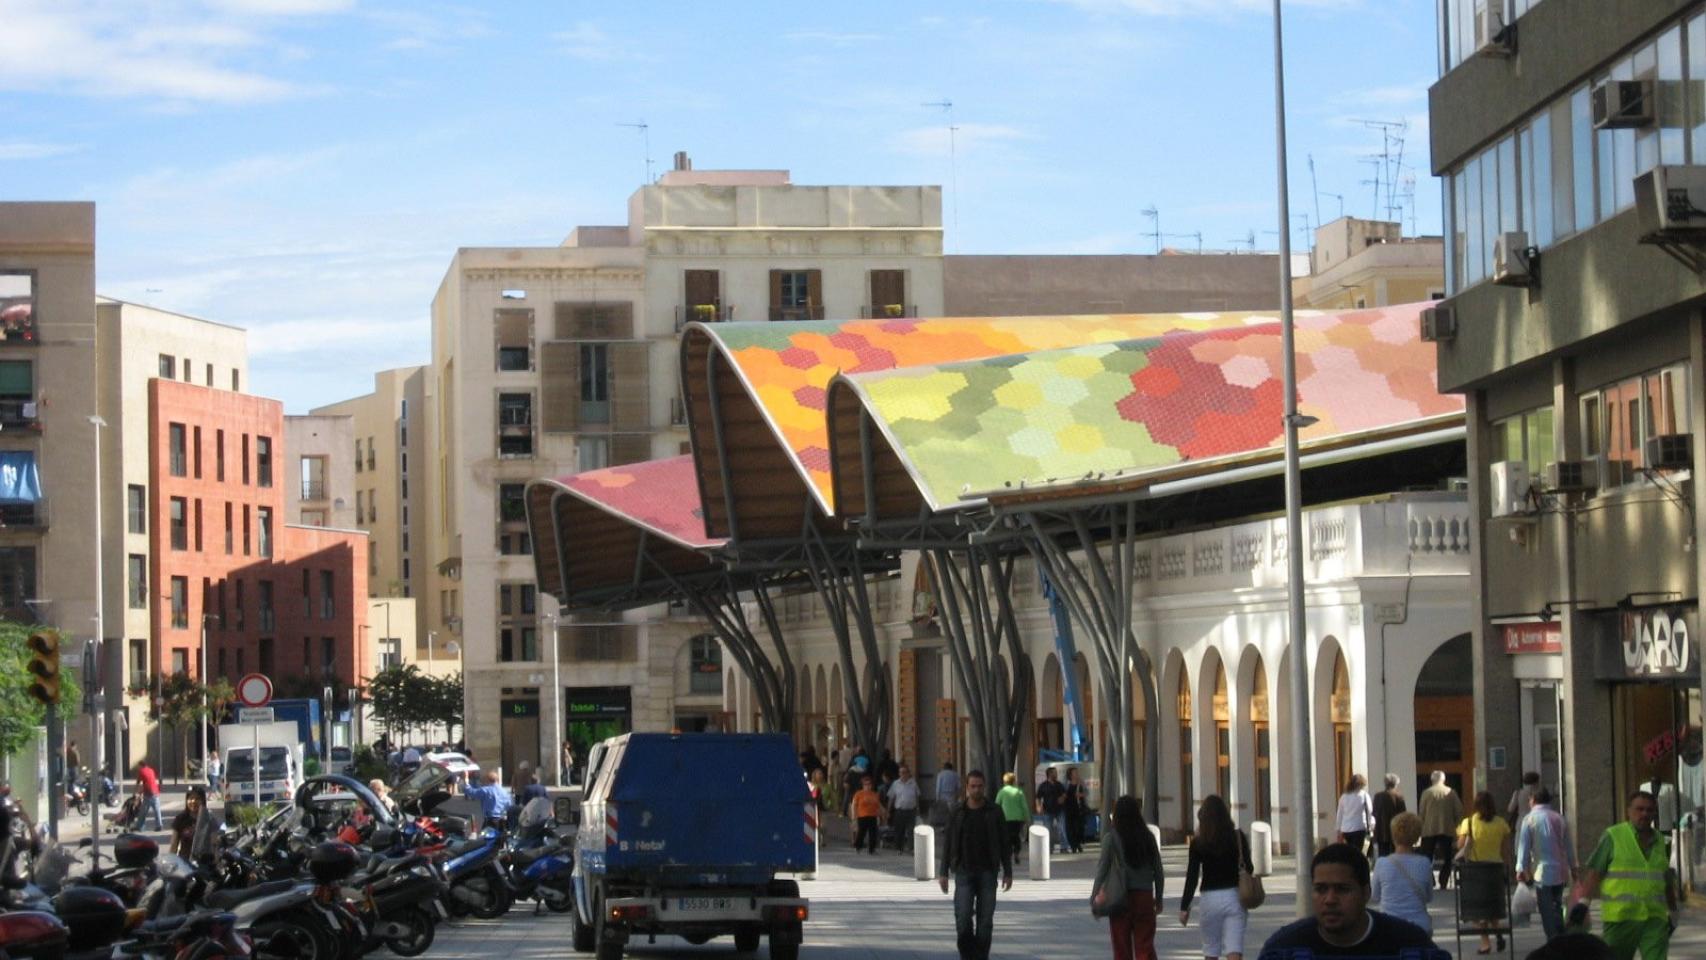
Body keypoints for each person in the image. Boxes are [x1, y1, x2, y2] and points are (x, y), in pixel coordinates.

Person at [1263, 843, 1438, 955]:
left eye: (1342, 889)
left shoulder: (1411, 946)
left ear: (1366, 893)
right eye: (1321, 889)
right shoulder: (1284, 949)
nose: (1330, 899)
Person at [1580, 789, 1677, 960]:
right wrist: (1582, 904)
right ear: (1629, 811)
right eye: (1639, 809)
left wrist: (1673, 912)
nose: (1645, 814)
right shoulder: (1613, 836)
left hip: (1654, 919)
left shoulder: (1661, 841)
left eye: (1649, 810)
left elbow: (1666, 879)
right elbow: (1595, 873)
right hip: (1621, 918)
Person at [937, 770, 1012, 960]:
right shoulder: (957, 811)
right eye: (973, 786)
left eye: (979, 786)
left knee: (985, 921)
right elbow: (948, 843)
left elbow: (1004, 842)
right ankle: (968, 955)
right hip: (963, 871)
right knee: (962, 917)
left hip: (988, 872)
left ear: (984, 787)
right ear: (966, 787)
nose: (976, 790)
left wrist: (1008, 871)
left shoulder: (994, 811)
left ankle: (980, 956)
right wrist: (943, 871)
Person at [1180, 794, 1254, 960]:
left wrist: (1184, 907)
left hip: (1209, 900)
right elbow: (1249, 867)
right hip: (1234, 897)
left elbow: (1192, 876)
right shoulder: (1237, 837)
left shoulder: (1198, 843)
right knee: (1234, 949)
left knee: (1211, 951)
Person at [1094, 795, 1164, 960]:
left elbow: (1102, 871)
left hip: (1120, 899)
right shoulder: (1148, 837)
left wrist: (1094, 897)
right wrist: (1159, 898)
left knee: (1121, 948)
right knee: (1144, 947)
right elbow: (1158, 871)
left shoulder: (1111, 839)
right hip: (1144, 897)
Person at [1516, 785, 1577, 943]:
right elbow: (1568, 846)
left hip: (1541, 872)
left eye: (1530, 799)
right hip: (1560, 871)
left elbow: (1524, 846)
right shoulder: (1559, 818)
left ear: (1533, 800)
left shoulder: (1529, 820)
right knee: (1557, 906)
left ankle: (1554, 940)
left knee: (1546, 909)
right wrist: (1574, 867)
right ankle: (1560, 936)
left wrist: (1521, 868)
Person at [1457, 789, 1514, 955]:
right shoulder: (1501, 824)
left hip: (1475, 871)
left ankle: (1485, 943)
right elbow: (1505, 851)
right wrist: (1507, 869)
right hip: (1495, 869)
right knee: (1493, 907)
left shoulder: (1469, 822)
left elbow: (1461, 846)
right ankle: (1498, 935)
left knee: (1477, 911)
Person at [1371, 811, 1434, 935]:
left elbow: (1375, 896)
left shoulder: (1381, 863)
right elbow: (1428, 897)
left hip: (1389, 926)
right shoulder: (1424, 863)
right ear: (1417, 837)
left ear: (1393, 834)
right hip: (1419, 927)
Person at [1419, 770, 1464, 888]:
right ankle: (1443, 880)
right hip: (1447, 828)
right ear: (1443, 780)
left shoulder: (1426, 793)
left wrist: (1421, 825)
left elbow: (1421, 812)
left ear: (1432, 780)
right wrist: (1457, 825)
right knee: (1447, 857)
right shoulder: (1451, 792)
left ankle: (1430, 880)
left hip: (1429, 829)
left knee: (1426, 857)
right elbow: (1459, 811)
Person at [1335, 773, 1374, 860]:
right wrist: (1371, 825)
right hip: (1359, 827)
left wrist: (1338, 829)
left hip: (1346, 829)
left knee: (1348, 851)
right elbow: (1369, 811)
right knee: (1358, 851)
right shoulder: (1364, 795)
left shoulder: (1344, 797)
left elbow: (1340, 814)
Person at [1372, 772, 1407, 859]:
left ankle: (1383, 871)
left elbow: (1374, 812)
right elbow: (1403, 814)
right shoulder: (1398, 796)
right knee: (1396, 855)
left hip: (1381, 830)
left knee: (1383, 855)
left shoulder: (1378, 796)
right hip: (1395, 830)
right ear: (1396, 784)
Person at [995, 772, 1029, 859]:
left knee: (1007, 836)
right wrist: (1027, 817)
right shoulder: (1019, 791)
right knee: (1016, 835)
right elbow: (1024, 805)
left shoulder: (1002, 792)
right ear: (1014, 781)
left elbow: (997, 804)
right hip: (1018, 818)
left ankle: (1008, 853)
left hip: (1005, 818)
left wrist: (995, 817)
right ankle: (1017, 851)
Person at [1035, 766, 1067, 854]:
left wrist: (1062, 798)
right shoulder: (1043, 785)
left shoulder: (1059, 784)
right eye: (1054, 773)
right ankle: (1048, 848)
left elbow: (1064, 794)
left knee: (1062, 829)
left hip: (1059, 810)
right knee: (1048, 830)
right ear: (1049, 774)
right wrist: (1038, 806)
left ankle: (1064, 847)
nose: (1056, 774)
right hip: (1048, 810)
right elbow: (1038, 797)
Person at [888, 765, 920, 853]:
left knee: (911, 830)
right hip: (900, 811)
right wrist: (888, 811)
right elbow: (891, 797)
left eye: (905, 772)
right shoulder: (895, 784)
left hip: (911, 810)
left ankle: (911, 848)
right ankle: (899, 848)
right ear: (899, 774)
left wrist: (918, 809)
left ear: (908, 773)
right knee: (899, 830)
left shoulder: (913, 783)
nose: (903, 774)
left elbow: (917, 796)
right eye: (901, 772)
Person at [851, 774, 883, 854]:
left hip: (872, 815)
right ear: (863, 785)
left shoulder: (874, 794)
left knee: (873, 833)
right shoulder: (859, 794)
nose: (868, 786)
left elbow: (877, 805)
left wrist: (879, 815)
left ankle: (872, 849)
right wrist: (854, 816)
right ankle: (858, 846)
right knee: (861, 832)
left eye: (869, 784)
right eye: (866, 784)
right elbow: (854, 805)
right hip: (862, 815)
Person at [1064, 766, 1088, 854]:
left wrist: (1080, 795)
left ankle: (1078, 843)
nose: (1076, 774)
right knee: (1070, 828)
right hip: (1069, 808)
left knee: (1079, 827)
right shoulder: (1066, 784)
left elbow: (1086, 793)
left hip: (1079, 808)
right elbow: (1063, 793)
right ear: (1070, 774)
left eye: (1077, 772)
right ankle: (1073, 845)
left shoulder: (1081, 783)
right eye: (1074, 772)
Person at [136, 761, 164, 830]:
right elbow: (149, 781)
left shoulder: (141, 771)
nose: (138, 768)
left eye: (138, 766)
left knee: (143, 811)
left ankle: (140, 826)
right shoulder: (151, 770)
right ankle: (159, 825)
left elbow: (138, 783)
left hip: (148, 793)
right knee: (157, 810)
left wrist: (137, 793)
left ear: (140, 765)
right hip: (156, 792)